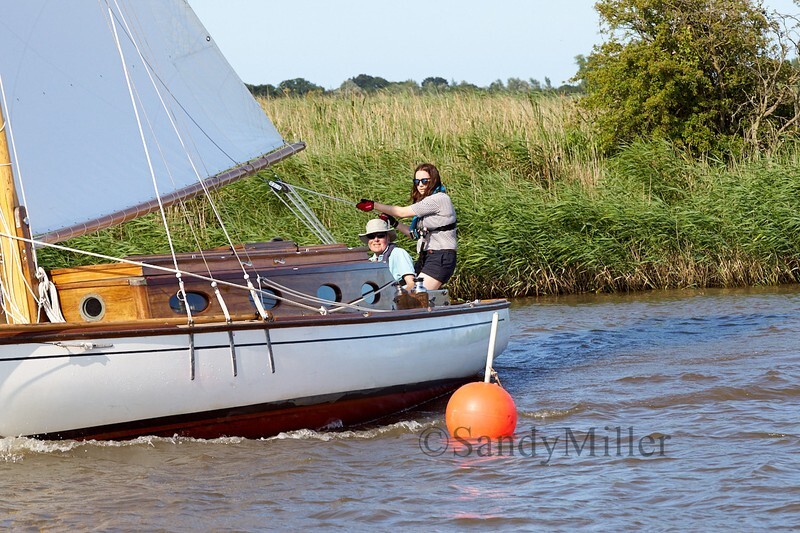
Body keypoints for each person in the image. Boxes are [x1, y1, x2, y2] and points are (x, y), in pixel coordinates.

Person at [356, 163, 456, 290]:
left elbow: (402, 212)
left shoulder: (439, 199)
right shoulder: (426, 203)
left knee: (418, 294)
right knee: (413, 295)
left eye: (424, 181)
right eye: (417, 181)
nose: (420, 185)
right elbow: (413, 234)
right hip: (427, 256)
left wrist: (373, 205)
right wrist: (394, 223)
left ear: (434, 181)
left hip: (441, 256)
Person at [359, 217, 415, 291]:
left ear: (388, 238)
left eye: (380, 235)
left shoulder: (398, 253)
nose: (376, 240)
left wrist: (401, 298)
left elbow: (411, 284)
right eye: (371, 236)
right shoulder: (370, 261)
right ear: (368, 241)